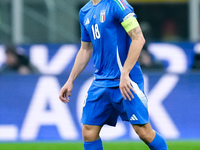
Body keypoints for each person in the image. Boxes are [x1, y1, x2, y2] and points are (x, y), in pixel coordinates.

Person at [59, 0, 168, 149]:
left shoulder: (117, 4)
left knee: (143, 132)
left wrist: (125, 72)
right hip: (101, 81)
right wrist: (70, 79)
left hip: (126, 80)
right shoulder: (85, 11)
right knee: (89, 132)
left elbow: (138, 38)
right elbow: (86, 49)